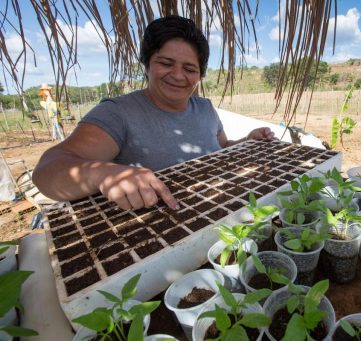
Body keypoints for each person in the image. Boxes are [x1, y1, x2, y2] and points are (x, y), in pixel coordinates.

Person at [32, 15, 274, 211]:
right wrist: (103, 174)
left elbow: (220, 149)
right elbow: (46, 172)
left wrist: (245, 142)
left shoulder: (205, 108)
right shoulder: (117, 113)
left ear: (199, 76)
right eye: (166, 63)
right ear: (146, 65)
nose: (178, 75)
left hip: (217, 215)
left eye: (190, 68)